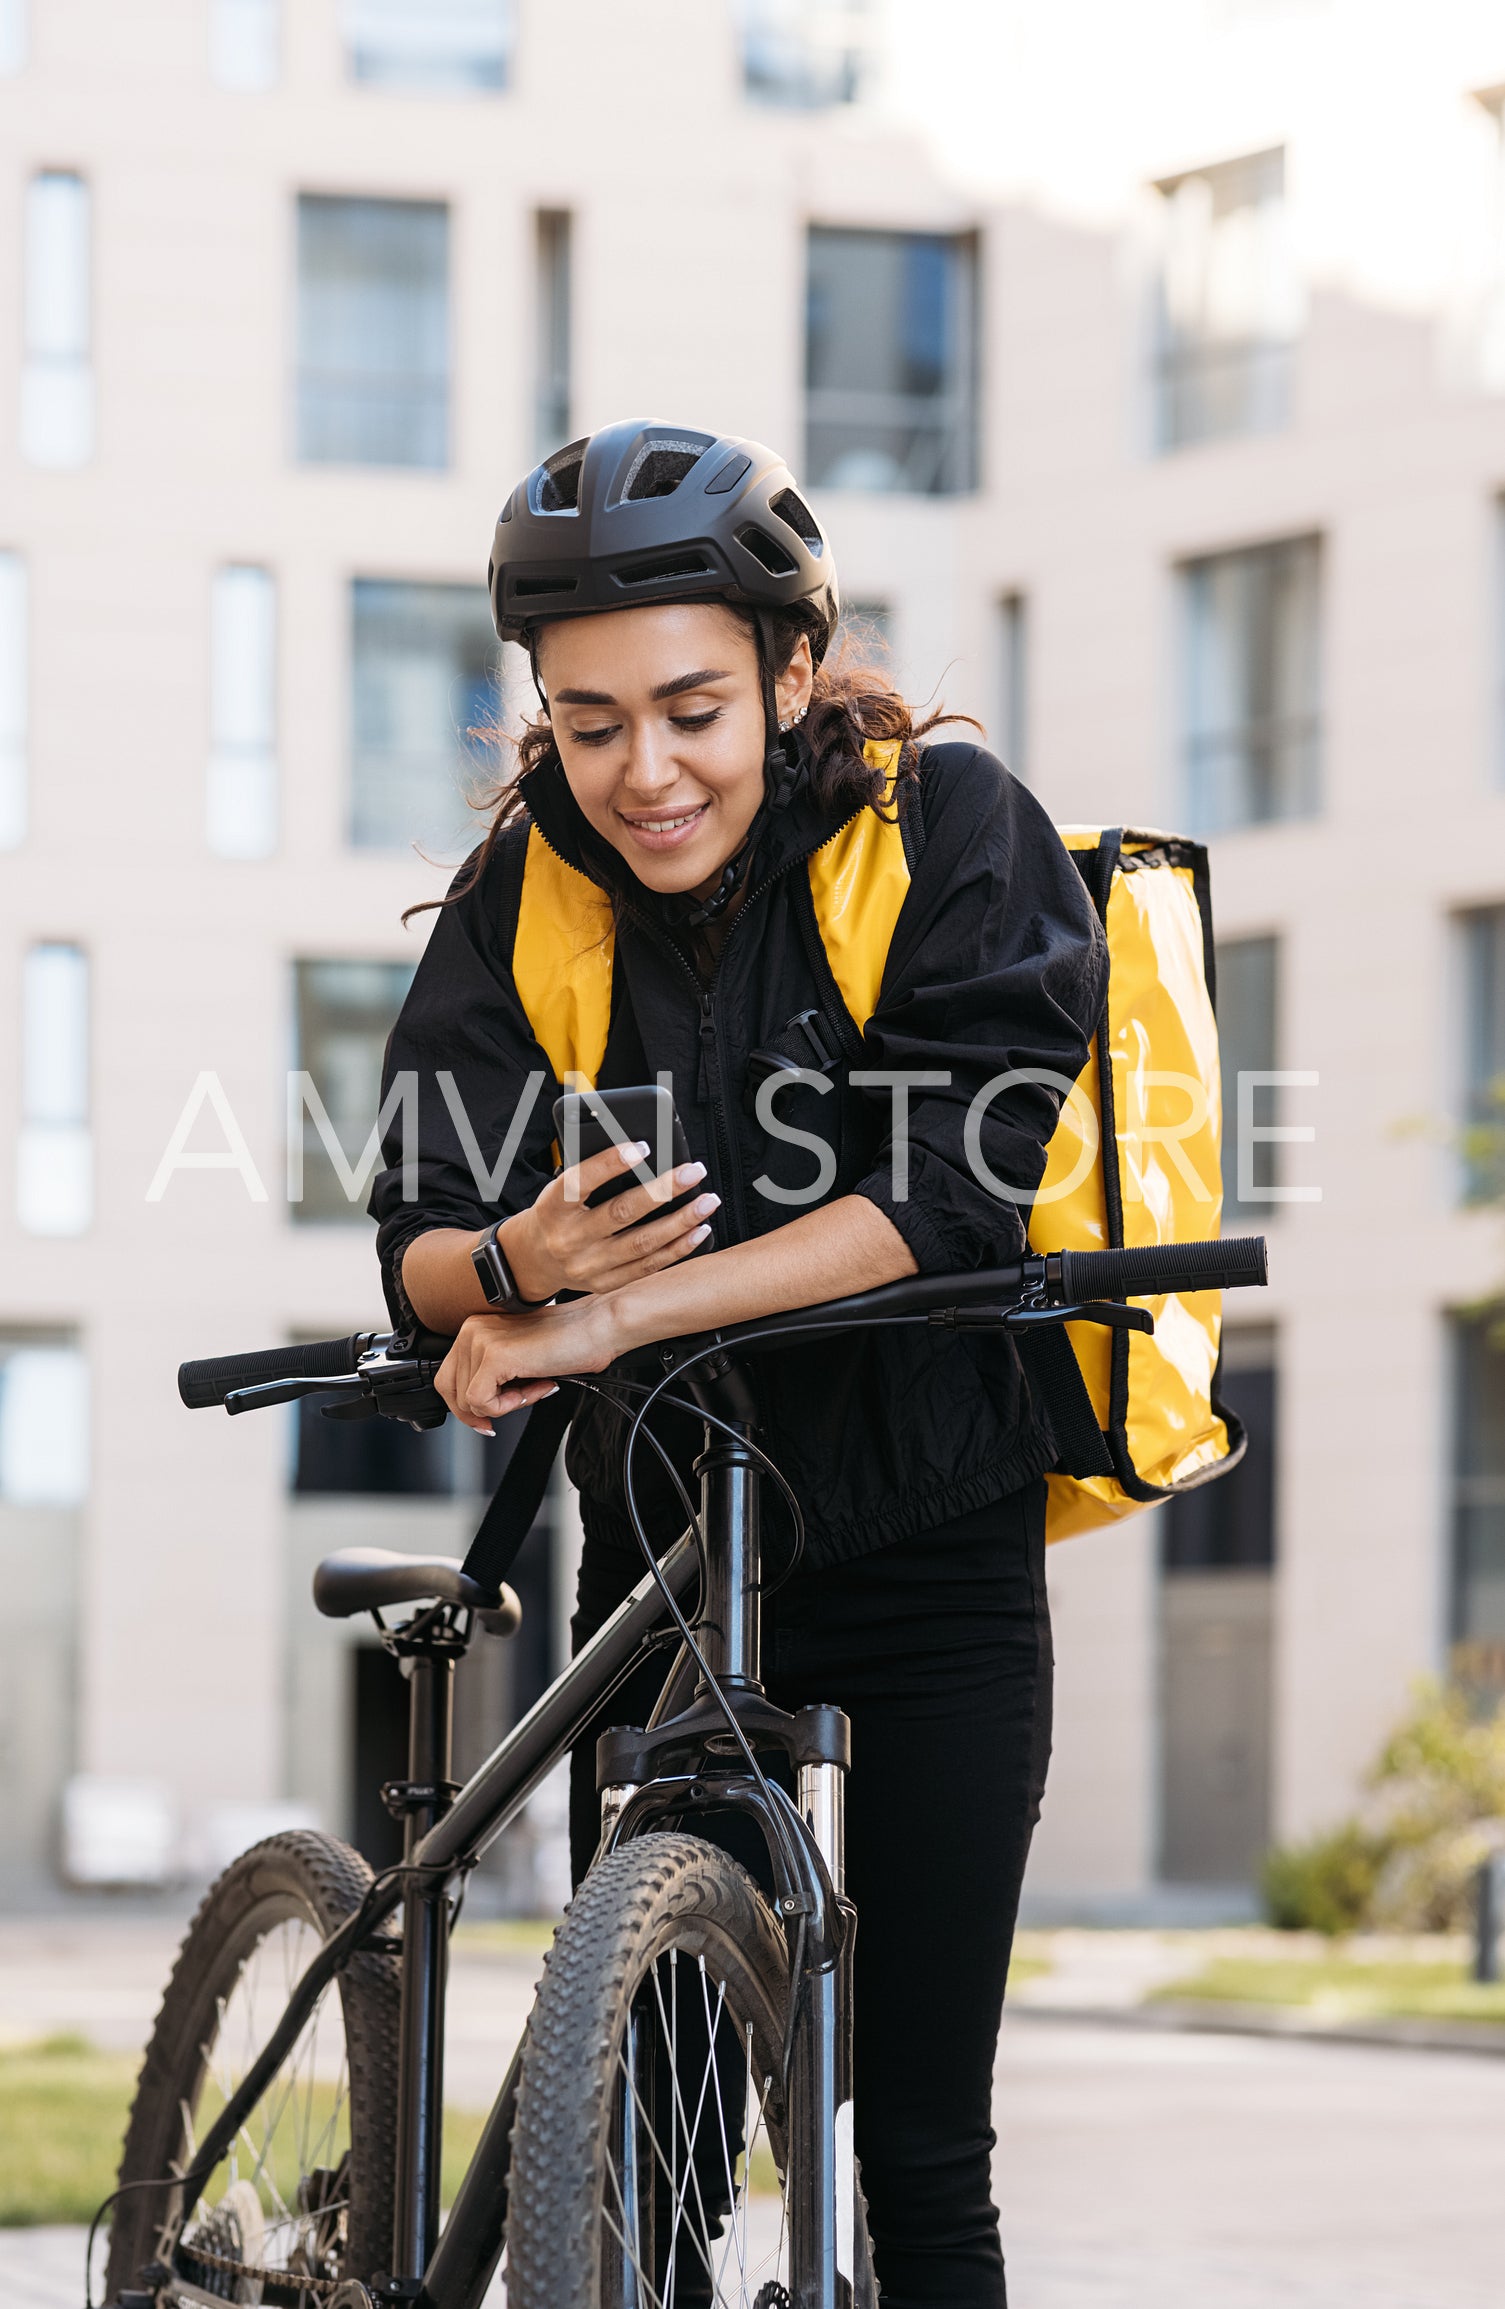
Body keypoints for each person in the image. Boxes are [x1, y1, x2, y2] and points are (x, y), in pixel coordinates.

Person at [370, 420, 1107, 2309]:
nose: (643, 768)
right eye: (589, 718)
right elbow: (420, 1234)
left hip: (933, 1540)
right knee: (645, 2147)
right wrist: (509, 1270)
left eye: (692, 705)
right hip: (670, 1560)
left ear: (790, 669)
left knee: (922, 2147)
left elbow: (951, 1199)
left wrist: (605, 1315)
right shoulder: (523, 896)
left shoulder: (941, 832)